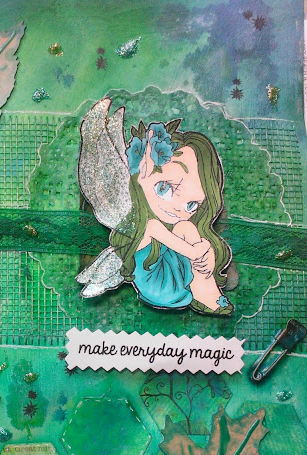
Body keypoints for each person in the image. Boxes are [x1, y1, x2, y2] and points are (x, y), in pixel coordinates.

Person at [76, 100, 233, 316]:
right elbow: (190, 251)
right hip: (159, 287)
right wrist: (202, 251)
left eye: (191, 204)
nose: (177, 208)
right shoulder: (151, 226)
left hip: (167, 278)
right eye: (164, 188)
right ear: (138, 177)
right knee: (187, 230)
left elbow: (187, 250)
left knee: (188, 230)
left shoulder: (168, 226)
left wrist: (207, 253)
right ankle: (208, 296)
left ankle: (208, 294)